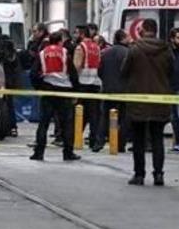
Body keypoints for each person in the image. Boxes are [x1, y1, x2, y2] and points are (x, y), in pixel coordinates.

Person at [120, 19, 173, 186]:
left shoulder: (134, 49)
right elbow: (172, 71)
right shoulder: (166, 50)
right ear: (156, 30)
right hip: (160, 100)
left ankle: (139, 174)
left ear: (142, 30)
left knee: (138, 140)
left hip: (138, 100)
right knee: (157, 139)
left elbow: (124, 71)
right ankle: (158, 174)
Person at [30, 31, 80, 162]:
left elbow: (33, 73)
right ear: (60, 41)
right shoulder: (64, 52)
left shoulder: (42, 53)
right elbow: (73, 73)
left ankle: (39, 152)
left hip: (48, 90)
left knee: (44, 123)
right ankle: (68, 153)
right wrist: (75, 91)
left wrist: (39, 87)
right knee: (66, 124)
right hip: (64, 91)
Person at [98, 29, 131, 152]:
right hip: (124, 90)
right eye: (128, 37)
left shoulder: (106, 52)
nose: (130, 39)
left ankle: (99, 142)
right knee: (123, 118)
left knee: (106, 117)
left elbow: (100, 71)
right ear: (123, 38)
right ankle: (120, 144)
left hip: (108, 89)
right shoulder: (128, 53)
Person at [74, 24, 103, 152]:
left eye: (76, 33)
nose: (75, 35)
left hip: (83, 83)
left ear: (81, 34)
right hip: (95, 83)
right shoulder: (96, 47)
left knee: (79, 113)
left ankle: (75, 138)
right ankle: (93, 140)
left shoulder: (81, 47)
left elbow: (77, 66)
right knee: (94, 114)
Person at [0, 33, 20, 137]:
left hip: (1, 80)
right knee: (10, 104)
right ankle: (13, 127)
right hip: (11, 81)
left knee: (2, 104)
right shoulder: (13, 54)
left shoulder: (0, 52)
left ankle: (3, 127)